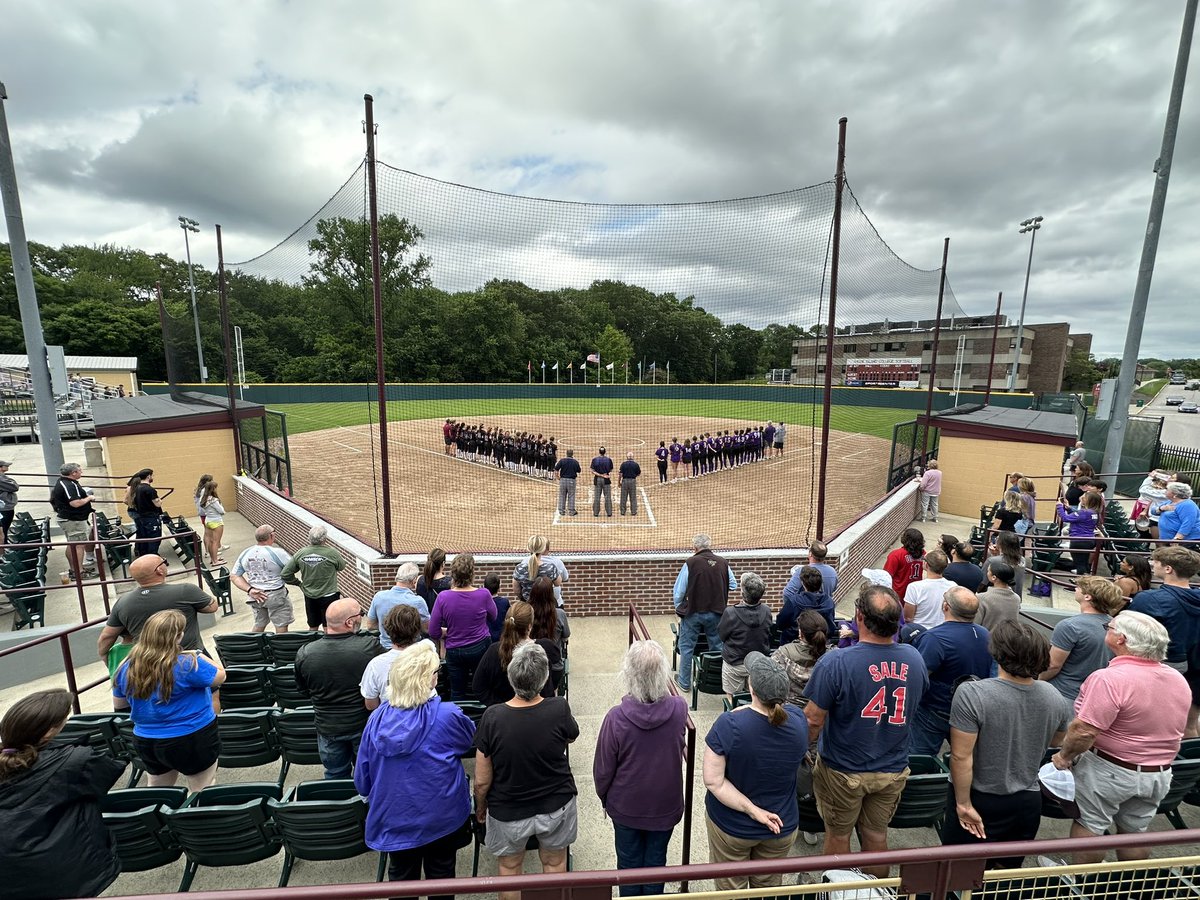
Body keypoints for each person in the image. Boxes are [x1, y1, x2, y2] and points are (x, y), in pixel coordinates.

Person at [803, 584, 928, 877]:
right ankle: (875, 892)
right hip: (892, 768)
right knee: (876, 836)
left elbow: (812, 719)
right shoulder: (914, 658)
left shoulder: (837, 661)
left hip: (843, 770)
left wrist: (803, 752)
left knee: (838, 837)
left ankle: (838, 894)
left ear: (859, 616)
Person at [1051, 611, 1191, 865]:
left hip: (1110, 769)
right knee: (1135, 833)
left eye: (1109, 627)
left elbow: (1084, 730)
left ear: (1121, 639)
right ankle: (1128, 882)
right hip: (1157, 772)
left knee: (1090, 824)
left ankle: (1081, 881)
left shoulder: (1110, 679)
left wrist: (1063, 757)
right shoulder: (1177, 679)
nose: (1107, 629)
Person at [944, 621, 1071, 867]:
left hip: (979, 797)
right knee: (1005, 877)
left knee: (957, 874)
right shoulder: (1053, 695)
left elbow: (961, 756)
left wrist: (963, 803)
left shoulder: (972, 693)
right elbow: (1056, 740)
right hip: (1027, 801)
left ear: (998, 652)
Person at [355, 642, 476, 898]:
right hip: (442, 817)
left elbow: (362, 780)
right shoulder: (448, 715)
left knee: (401, 882)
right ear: (429, 681)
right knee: (441, 879)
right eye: (435, 673)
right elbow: (467, 743)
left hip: (394, 817)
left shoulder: (375, 720)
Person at [474, 642, 579, 900]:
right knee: (555, 864)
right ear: (544, 678)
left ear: (511, 678)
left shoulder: (492, 717)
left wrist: (480, 808)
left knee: (510, 869)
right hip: (556, 806)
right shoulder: (558, 708)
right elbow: (570, 737)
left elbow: (481, 780)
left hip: (508, 811)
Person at [0, 689, 127, 900]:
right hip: (65, 872)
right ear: (50, 732)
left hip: (9, 877)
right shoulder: (76, 760)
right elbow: (107, 773)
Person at [703, 651, 807, 893]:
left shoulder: (729, 725)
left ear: (751, 687)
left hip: (733, 828)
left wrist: (753, 811)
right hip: (781, 827)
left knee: (731, 891)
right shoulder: (799, 721)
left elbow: (714, 782)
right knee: (766, 890)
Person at [594, 641, 689, 895]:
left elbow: (603, 769)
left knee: (628, 866)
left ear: (629, 674)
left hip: (625, 807)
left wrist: (605, 797)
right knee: (657, 863)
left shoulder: (615, 718)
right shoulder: (679, 709)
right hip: (664, 806)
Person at [112, 610, 226, 791]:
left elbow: (120, 706)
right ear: (178, 637)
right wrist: (199, 654)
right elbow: (220, 676)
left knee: (158, 790)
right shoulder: (188, 662)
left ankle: (155, 818)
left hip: (146, 739)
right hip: (192, 736)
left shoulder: (126, 665)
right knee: (201, 789)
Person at [293, 598, 384, 779]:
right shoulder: (370, 647)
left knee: (334, 777)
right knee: (368, 777)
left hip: (327, 728)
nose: (362, 618)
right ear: (349, 622)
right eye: (360, 614)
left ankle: (341, 807)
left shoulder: (305, 652)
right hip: (362, 727)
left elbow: (303, 690)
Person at [96, 554, 219, 671]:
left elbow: (107, 637)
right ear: (159, 570)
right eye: (164, 562)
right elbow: (212, 607)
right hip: (191, 659)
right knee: (213, 687)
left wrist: (105, 656)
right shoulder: (186, 590)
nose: (166, 564)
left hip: (150, 666)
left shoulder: (123, 602)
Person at [908, 587, 992, 756]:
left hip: (935, 711)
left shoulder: (934, 638)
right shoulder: (986, 635)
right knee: (965, 759)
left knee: (919, 759)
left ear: (945, 606)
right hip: (971, 710)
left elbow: (918, 678)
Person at [1040, 576, 1124, 703]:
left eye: (1079, 587)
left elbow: (1053, 665)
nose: (1075, 588)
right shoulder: (1116, 626)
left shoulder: (1070, 626)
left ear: (1088, 596)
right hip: (1093, 695)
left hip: (1063, 693)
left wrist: (1035, 681)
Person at [672, 533, 736, 691]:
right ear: (709, 546)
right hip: (717, 613)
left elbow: (679, 592)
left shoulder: (691, 562)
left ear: (695, 548)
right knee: (717, 647)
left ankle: (684, 683)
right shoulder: (722, 562)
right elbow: (733, 584)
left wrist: (678, 608)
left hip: (693, 613)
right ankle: (718, 682)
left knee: (687, 647)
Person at [429, 553, 498, 700]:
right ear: (472, 574)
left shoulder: (443, 597)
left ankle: (457, 721)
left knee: (457, 692)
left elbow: (433, 632)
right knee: (483, 687)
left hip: (455, 651)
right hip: (480, 647)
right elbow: (494, 616)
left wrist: (448, 631)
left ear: (453, 574)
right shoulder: (484, 594)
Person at [472, 601, 562, 705]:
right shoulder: (547, 647)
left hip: (506, 715)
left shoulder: (494, 651)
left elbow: (478, 687)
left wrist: (498, 705)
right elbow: (557, 674)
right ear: (529, 626)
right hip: (541, 711)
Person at [361, 605, 435, 710]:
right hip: (427, 718)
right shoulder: (429, 654)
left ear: (387, 629)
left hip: (391, 721)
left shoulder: (375, 665)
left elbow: (371, 705)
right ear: (418, 629)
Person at [230, 524, 295, 633]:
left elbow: (234, 576)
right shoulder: (277, 553)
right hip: (276, 595)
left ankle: (254, 646)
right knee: (281, 625)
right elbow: (292, 568)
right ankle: (280, 648)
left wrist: (250, 590)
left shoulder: (245, 553)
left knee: (259, 623)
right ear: (272, 535)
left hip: (256, 596)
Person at [280, 525, 346, 631]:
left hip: (310, 596)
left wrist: (299, 583)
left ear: (309, 538)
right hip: (329, 595)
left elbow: (285, 574)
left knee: (313, 625)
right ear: (324, 539)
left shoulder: (301, 553)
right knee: (329, 626)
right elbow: (341, 567)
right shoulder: (332, 553)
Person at [718, 572, 773, 700]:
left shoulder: (730, 613)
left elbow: (722, 635)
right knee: (755, 699)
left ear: (743, 593)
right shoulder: (767, 610)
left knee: (733, 699)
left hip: (734, 663)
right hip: (757, 663)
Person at [772, 608, 830, 706]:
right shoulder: (835, 657)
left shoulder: (782, 654)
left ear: (801, 633)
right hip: (822, 712)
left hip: (789, 712)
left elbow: (771, 684)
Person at [364, 562, 430, 647]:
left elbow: (370, 625)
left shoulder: (379, 596)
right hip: (411, 650)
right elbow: (427, 629)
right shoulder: (418, 601)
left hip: (385, 647)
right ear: (414, 581)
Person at [49, 462, 96, 579]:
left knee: (72, 544)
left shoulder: (64, 482)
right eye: (79, 471)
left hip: (69, 518)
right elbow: (75, 503)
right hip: (73, 520)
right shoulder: (69, 485)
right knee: (78, 545)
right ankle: (79, 573)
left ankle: (74, 569)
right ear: (73, 473)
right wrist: (89, 498)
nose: (81, 472)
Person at [776, 565, 835, 644]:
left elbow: (780, 623)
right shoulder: (829, 602)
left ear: (803, 584)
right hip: (821, 643)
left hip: (794, 643)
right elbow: (831, 625)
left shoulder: (794, 601)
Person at [903, 549, 956, 629]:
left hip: (920, 633)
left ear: (926, 565)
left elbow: (908, 618)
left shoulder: (914, 587)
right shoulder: (953, 586)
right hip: (943, 632)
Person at [1057, 491, 1102, 576]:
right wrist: (1069, 509)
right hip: (1089, 541)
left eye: (1084, 497)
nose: (1081, 498)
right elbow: (1078, 518)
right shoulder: (1095, 513)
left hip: (1078, 541)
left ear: (1088, 500)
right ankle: (1084, 581)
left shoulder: (1084, 512)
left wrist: (1059, 506)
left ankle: (1079, 584)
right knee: (1084, 563)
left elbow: (1065, 518)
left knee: (1079, 565)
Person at [528, 575, 570, 657]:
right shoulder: (560, 614)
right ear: (551, 593)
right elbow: (566, 636)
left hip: (531, 662)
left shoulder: (526, 613)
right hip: (555, 663)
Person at [512, 534, 563, 602]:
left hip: (527, 606)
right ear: (543, 549)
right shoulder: (550, 568)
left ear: (529, 548)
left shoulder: (520, 568)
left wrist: (525, 600)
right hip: (546, 607)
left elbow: (517, 590)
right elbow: (558, 583)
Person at [883, 527, 925, 601]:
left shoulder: (896, 555)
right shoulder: (923, 554)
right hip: (915, 593)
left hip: (898, 594)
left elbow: (885, 577)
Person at [130, 467, 164, 558]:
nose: (153, 477)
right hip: (151, 517)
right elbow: (157, 504)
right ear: (148, 476)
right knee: (154, 538)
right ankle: (153, 557)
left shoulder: (137, 488)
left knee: (145, 537)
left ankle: (145, 555)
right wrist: (160, 500)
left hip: (142, 517)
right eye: (152, 475)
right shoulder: (150, 490)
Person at [976, 561, 1020, 631]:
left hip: (988, 638)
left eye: (988, 571)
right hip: (1009, 638)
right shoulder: (1016, 598)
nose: (987, 573)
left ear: (994, 577)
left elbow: (976, 623)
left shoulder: (982, 598)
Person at [1156, 481, 1200, 548]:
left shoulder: (1187, 505)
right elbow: (1153, 511)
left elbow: (1187, 523)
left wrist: (1177, 539)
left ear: (1175, 494)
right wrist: (1161, 508)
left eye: (1168, 490)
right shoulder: (1169, 502)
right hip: (1168, 539)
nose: (1165, 491)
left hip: (1185, 541)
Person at [984, 531, 1027, 597]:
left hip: (995, 599)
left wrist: (993, 556)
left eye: (997, 539)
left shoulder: (992, 561)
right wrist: (997, 555)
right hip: (1015, 598)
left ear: (1000, 544)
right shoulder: (1022, 560)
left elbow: (982, 583)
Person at [195, 478, 227, 567]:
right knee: (216, 542)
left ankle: (213, 559)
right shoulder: (214, 500)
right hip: (216, 521)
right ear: (212, 489)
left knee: (210, 541)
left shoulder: (203, 499)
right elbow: (222, 511)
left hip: (208, 520)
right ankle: (215, 561)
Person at [484, 574, 511, 643]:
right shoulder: (504, 602)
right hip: (501, 638)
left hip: (486, 638)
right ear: (499, 587)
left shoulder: (482, 603)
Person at [554, 449, 581, 516]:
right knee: (571, 495)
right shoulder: (575, 462)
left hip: (563, 480)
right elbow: (579, 470)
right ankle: (571, 511)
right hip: (571, 481)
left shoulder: (562, 461)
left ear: (566, 454)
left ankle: (561, 511)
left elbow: (556, 469)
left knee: (562, 495)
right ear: (572, 454)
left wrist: (557, 477)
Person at [591, 446, 614, 517]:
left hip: (597, 479)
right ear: (605, 452)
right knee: (607, 497)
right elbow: (611, 470)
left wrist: (600, 475)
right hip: (606, 480)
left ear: (599, 452)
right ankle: (609, 513)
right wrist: (604, 474)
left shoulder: (595, 460)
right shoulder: (609, 460)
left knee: (597, 497)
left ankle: (596, 513)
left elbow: (592, 471)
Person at [0, 459, 19, 543]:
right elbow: (14, 486)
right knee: (3, 532)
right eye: (5, 465)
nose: (7, 467)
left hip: (6, 507)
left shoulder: (3, 477)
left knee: (4, 531)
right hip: (5, 509)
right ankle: (3, 552)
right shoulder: (1, 478)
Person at [618, 451, 642, 516]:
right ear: (633, 457)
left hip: (625, 481)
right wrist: (634, 476)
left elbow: (620, 474)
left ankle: (623, 512)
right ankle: (633, 511)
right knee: (633, 497)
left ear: (627, 457)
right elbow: (639, 473)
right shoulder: (636, 464)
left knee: (623, 497)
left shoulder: (623, 464)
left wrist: (619, 482)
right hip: (633, 481)